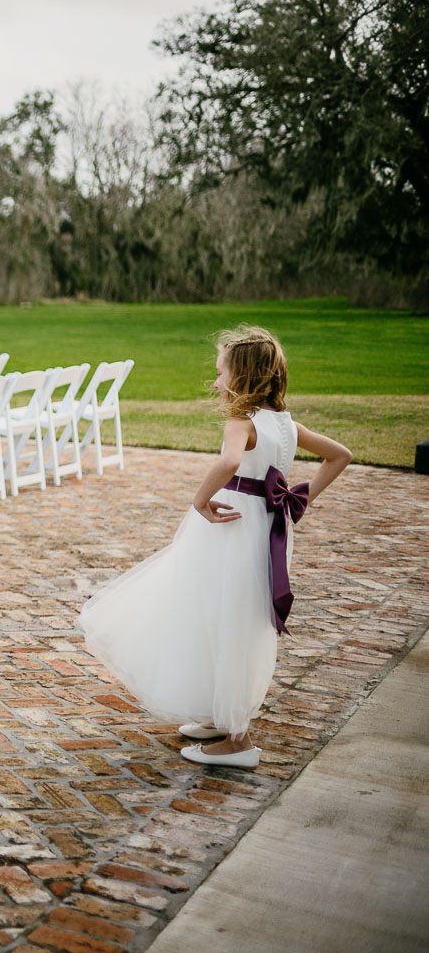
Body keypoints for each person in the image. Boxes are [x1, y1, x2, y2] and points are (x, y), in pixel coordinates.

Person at [78, 327, 352, 768]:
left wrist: (199, 500)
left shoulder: (241, 422)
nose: (215, 381)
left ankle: (238, 741)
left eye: (221, 372)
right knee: (226, 614)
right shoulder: (283, 423)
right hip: (263, 526)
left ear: (242, 378)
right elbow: (340, 454)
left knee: (230, 621)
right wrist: (301, 497)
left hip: (231, 525)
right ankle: (221, 716)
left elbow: (227, 462)